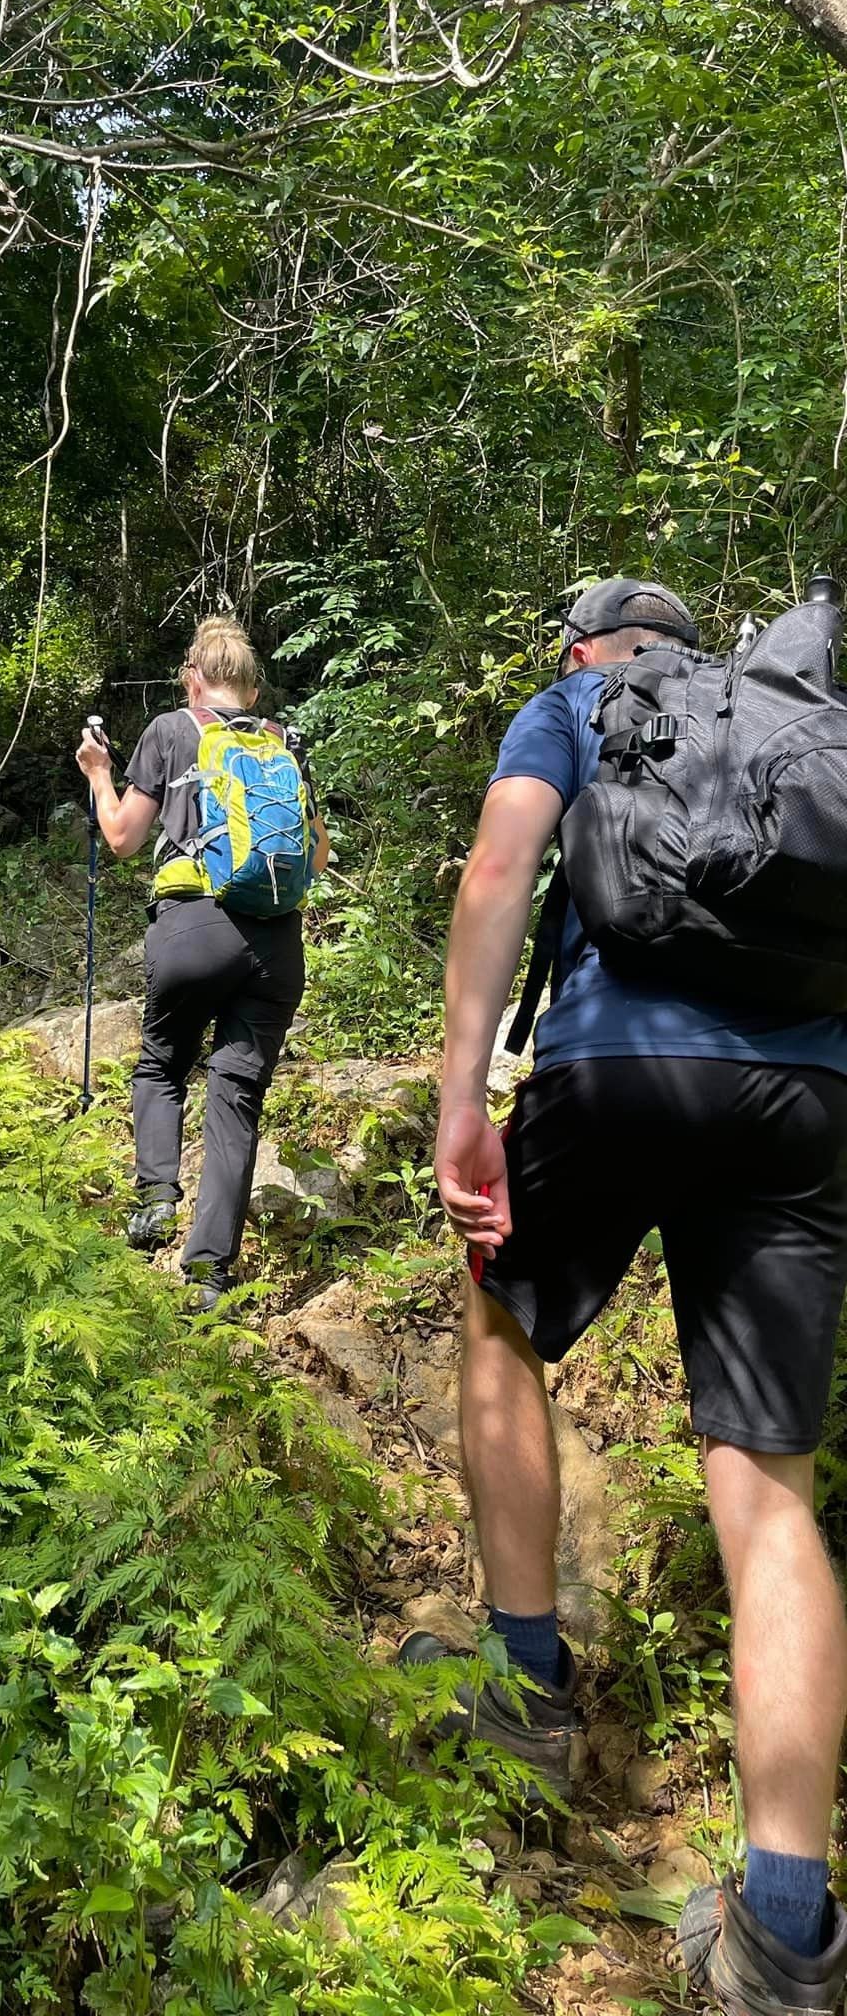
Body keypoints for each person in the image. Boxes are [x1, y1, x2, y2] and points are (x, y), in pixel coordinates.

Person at [409, 576, 847, 2016]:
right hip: (806, 1094)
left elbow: (497, 872)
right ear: (690, 640)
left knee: (503, 1323)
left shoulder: (580, 703)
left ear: (593, 646)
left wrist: (462, 1099)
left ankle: (527, 1692)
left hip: (614, 1064)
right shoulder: (791, 716)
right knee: (769, 1478)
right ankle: (784, 1928)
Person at [74, 614, 330, 1310]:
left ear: (193, 677)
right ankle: (209, 1275)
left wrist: (99, 774)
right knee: (237, 1101)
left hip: (193, 929)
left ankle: (155, 1196)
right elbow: (317, 856)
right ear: (251, 684)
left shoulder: (170, 729)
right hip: (277, 946)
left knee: (162, 1064)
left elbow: (123, 837)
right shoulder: (283, 742)